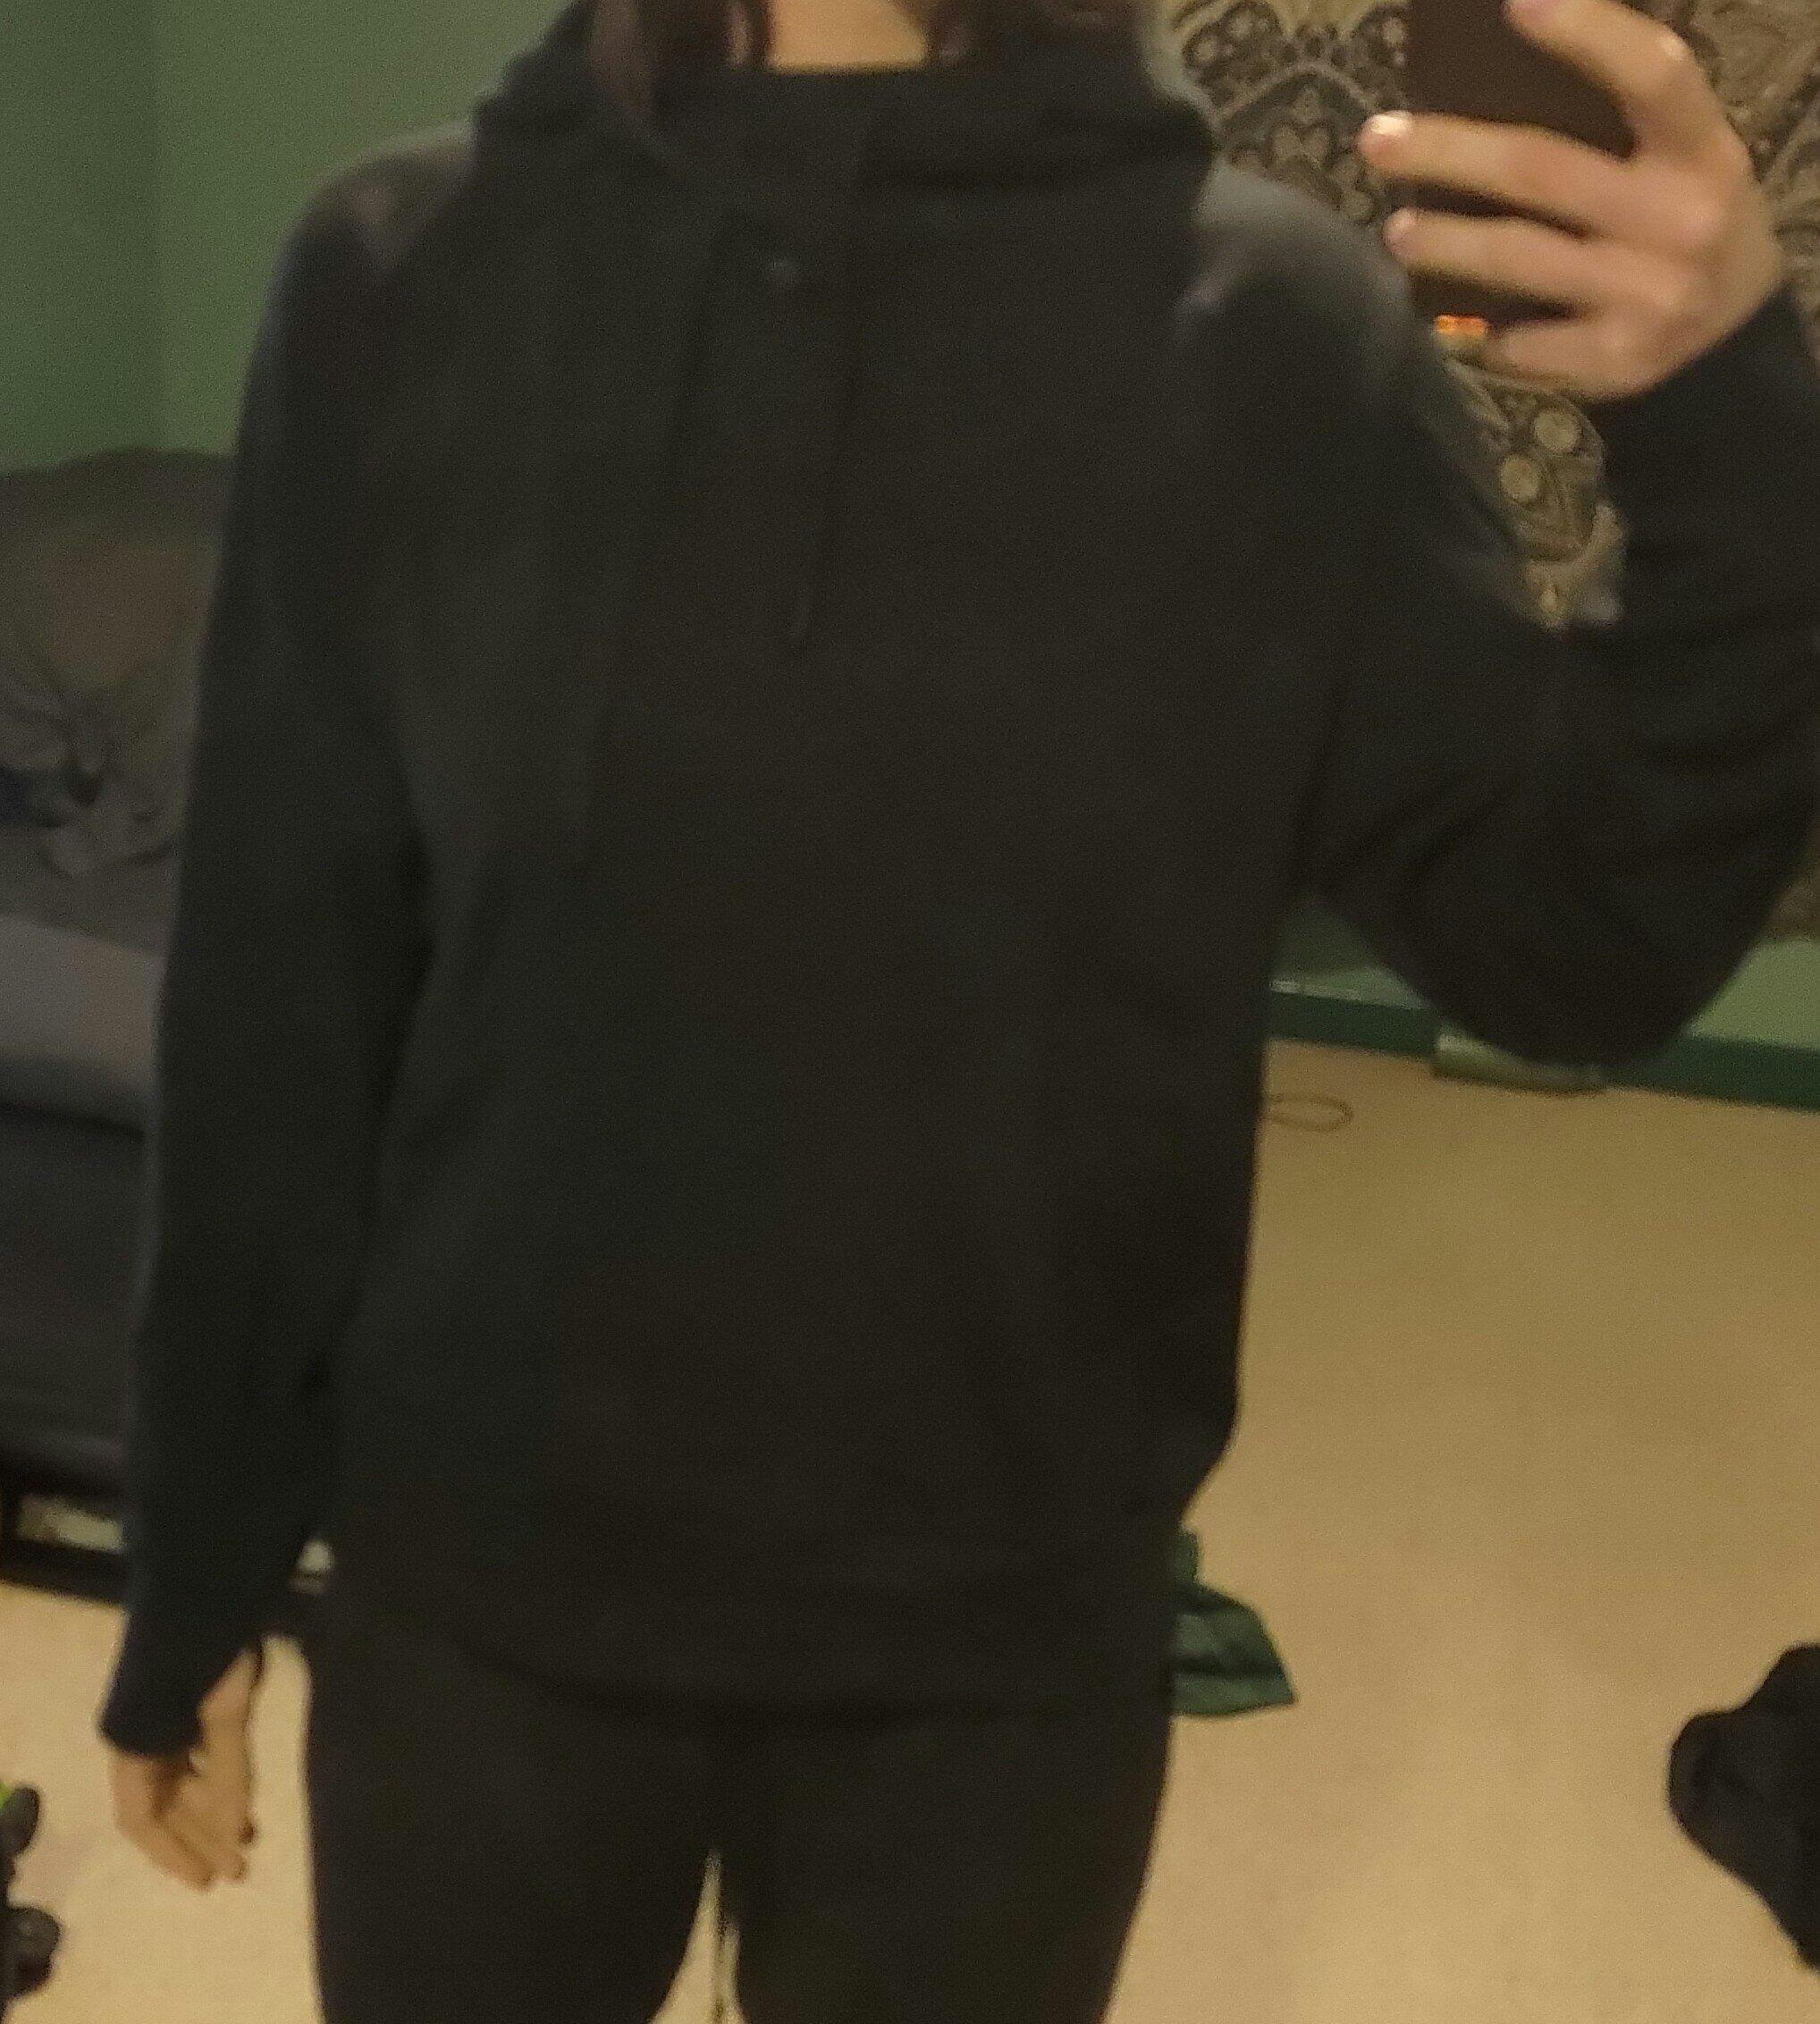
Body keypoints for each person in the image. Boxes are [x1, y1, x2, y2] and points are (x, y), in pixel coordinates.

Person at [96, 0, 1819, 2015]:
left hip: (1000, 1651)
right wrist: (197, 1570)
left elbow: (1576, 947)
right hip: (478, 1606)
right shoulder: (401, 279)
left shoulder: (1276, 342)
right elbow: (277, 1002)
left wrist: (1729, 419)